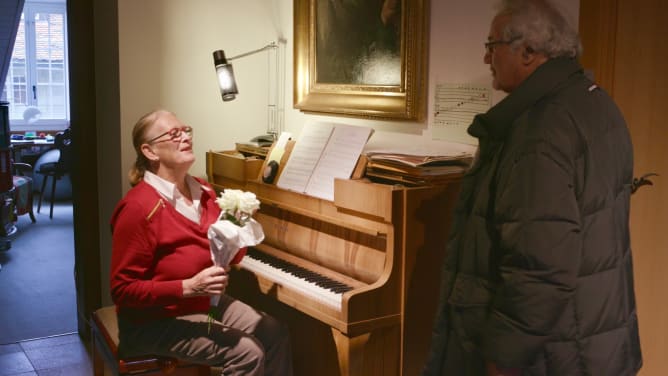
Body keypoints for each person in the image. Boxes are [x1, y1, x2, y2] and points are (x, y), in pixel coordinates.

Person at [422, 1, 642, 375]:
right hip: (596, 337)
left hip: (550, 355)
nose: (485, 56)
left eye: (491, 45)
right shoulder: (598, 103)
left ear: (527, 51)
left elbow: (539, 268)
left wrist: (502, 360)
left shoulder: (539, 132)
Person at [109, 109, 293, 375]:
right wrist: (188, 286)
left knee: (274, 332)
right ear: (149, 152)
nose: (185, 137)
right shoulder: (138, 208)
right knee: (247, 353)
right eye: (174, 134)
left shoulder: (204, 191)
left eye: (186, 131)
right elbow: (123, 290)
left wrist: (239, 227)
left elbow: (230, 256)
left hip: (205, 303)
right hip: (153, 320)